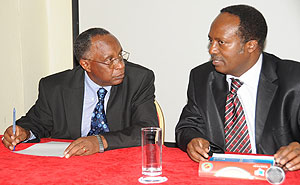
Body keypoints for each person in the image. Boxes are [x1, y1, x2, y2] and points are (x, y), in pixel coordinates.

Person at [175, 4, 300, 171]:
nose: (212, 49)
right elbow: (187, 125)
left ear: (251, 46)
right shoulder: (202, 77)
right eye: (210, 40)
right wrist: (193, 140)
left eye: (221, 42)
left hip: (275, 176)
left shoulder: (293, 80)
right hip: (220, 175)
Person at [2, 28, 158, 158]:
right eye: (109, 60)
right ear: (86, 64)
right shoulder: (55, 87)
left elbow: (147, 129)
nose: (120, 65)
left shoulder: (139, 79)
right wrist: (23, 132)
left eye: (120, 56)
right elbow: (36, 122)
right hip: (70, 166)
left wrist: (100, 141)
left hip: (121, 162)